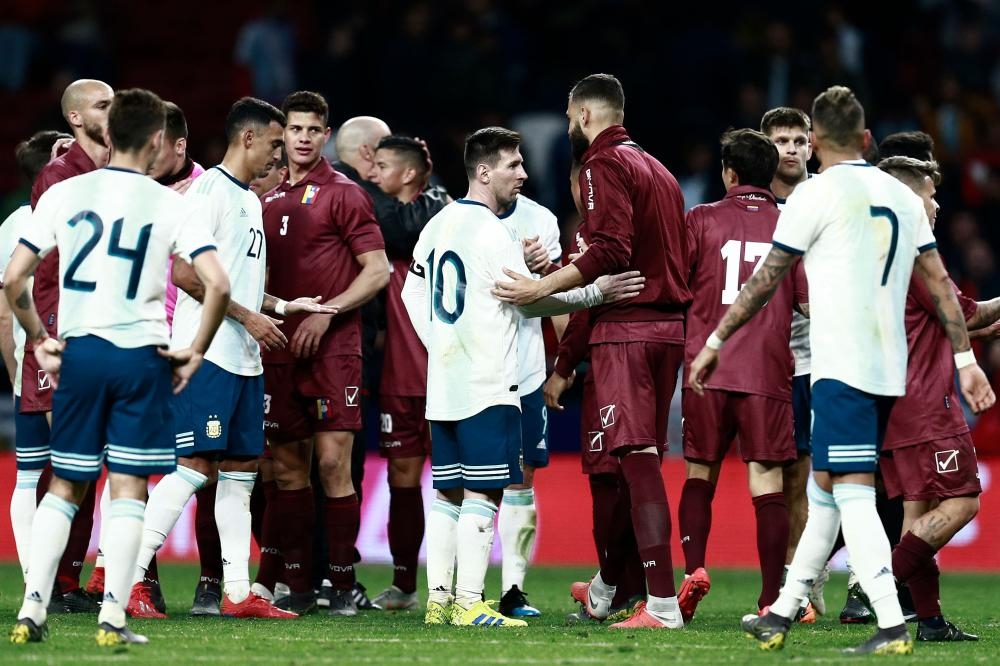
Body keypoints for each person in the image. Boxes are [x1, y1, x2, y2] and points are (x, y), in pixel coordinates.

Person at [689, 85, 995, 655]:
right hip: (894, 371)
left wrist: (716, 338)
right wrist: (967, 360)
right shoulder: (901, 193)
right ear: (864, 138)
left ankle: (889, 620)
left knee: (850, 495)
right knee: (828, 494)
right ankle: (781, 610)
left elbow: (767, 279)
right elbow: (940, 285)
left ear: (818, 140)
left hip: (841, 367)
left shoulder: (814, 195)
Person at [7, 87, 231, 646]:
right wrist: (196, 349)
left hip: (80, 351)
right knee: (128, 485)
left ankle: (32, 609)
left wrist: (38, 338)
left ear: (108, 134)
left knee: (65, 483)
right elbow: (219, 284)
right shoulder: (171, 203)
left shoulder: (65, 192)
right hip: (142, 356)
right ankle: (113, 618)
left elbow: (13, 279)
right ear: (157, 140)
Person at [403, 126, 643, 629]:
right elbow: (531, 296)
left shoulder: (438, 224)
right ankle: (471, 602)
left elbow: (411, 295)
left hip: (445, 381)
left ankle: (439, 601)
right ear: (484, 171)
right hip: (490, 380)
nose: (524, 174)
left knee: (446, 492)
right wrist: (597, 292)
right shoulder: (492, 230)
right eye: (513, 165)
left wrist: (443, 346)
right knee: (486, 493)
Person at [493, 73, 692, 630]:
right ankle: (612, 586)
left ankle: (659, 603)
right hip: (666, 331)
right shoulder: (659, 170)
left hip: (627, 331)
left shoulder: (603, 166)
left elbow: (610, 249)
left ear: (581, 115)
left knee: (634, 460)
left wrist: (541, 287)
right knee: (632, 462)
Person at [126, 97, 327, 621]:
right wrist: (249, 319)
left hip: (244, 359)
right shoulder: (209, 193)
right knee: (194, 468)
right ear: (248, 138)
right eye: (276, 143)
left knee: (240, 472)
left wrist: (281, 306)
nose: (280, 155)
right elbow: (186, 276)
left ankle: (237, 591)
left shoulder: (250, 201)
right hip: (208, 350)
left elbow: (237, 279)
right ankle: (127, 578)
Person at [261, 90, 389, 617]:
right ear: (283, 134)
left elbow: (377, 271)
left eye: (314, 130)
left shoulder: (344, 193)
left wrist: (327, 312)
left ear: (326, 134)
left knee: (334, 464)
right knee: (286, 470)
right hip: (277, 346)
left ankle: (342, 583)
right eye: (295, 129)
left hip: (335, 349)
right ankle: (296, 584)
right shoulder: (262, 198)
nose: (304, 139)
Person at [678, 129, 806, 623]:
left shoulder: (701, 219)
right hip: (768, 371)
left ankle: (693, 570)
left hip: (707, 368)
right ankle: (771, 597)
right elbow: (809, 302)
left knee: (699, 472)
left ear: (728, 173)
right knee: (767, 480)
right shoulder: (791, 224)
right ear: (769, 173)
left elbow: (678, 286)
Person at [87, 99, 209, 613]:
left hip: (184, 345)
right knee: (133, 465)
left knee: (203, 466)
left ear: (175, 144)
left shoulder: (205, 192)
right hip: (133, 340)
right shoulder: (131, 192)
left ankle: (206, 583)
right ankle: (125, 579)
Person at [878, 155, 990, 642]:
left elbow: (954, 318)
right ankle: (879, 589)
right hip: (928, 404)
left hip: (892, 404)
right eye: (929, 193)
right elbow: (962, 312)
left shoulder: (878, 251)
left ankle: (928, 620)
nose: (937, 203)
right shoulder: (916, 254)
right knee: (963, 503)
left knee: (917, 515)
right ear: (907, 198)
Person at [27, 77, 114, 615]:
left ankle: (65, 579)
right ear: (77, 119)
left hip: (103, 327)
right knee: (71, 459)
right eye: (103, 105)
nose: (114, 110)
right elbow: (44, 263)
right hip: (64, 324)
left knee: (90, 459)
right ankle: (50, 581)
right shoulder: (59, 177)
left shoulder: (119, 172)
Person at [759, 106, 826, 622]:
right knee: (770, 479)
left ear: (813, 146)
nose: (791, 148)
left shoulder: (826, 199)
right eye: (780, 140)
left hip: (812, 358)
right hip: (761, 361)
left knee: (803, 476)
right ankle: (781, 579)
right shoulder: (752, 206)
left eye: (800, 140)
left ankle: (805, 586)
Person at [0, 130, 71, 583]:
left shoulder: (17, 222)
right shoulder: (29, 225)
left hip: (40, 357)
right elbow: (7, 309)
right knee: (48, 470)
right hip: (41, 353)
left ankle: (44, 574)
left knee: (38, 472)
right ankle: (39, 574)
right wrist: (15, 372)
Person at [366, 135, 433, 611]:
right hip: (398, 376)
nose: (372, 174)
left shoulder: (448, 220)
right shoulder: (380, 229)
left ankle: (456, 587)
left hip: (449, 374)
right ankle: (405, 586)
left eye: (382, 165)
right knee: (402, 479)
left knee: (456, 481)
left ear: (408, 173)